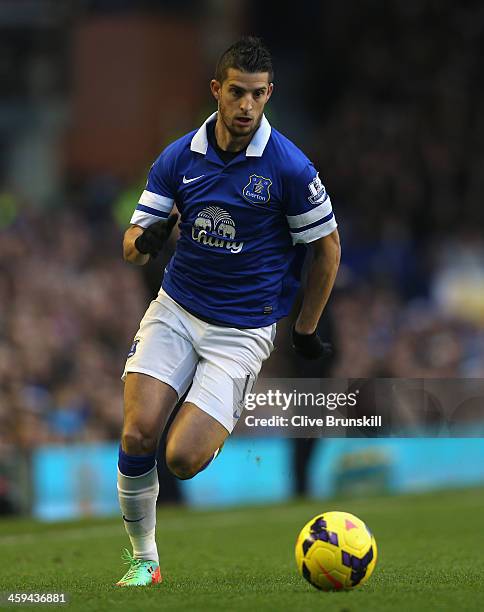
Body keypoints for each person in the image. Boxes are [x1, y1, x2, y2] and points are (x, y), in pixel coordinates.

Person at [116, 36, 340, 586]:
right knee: (137, 434)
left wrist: (305, 329)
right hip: (177, 309)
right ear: (217, 89)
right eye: (237, 92)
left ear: (269, 95)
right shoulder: (178, 157)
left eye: (257, 95)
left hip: (241, 330)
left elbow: (328, 247)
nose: (246, 106)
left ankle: (213, 416)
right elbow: (130, 244)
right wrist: (149, 240)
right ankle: (143, 561)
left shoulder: (289, 167)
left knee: (182, 460)